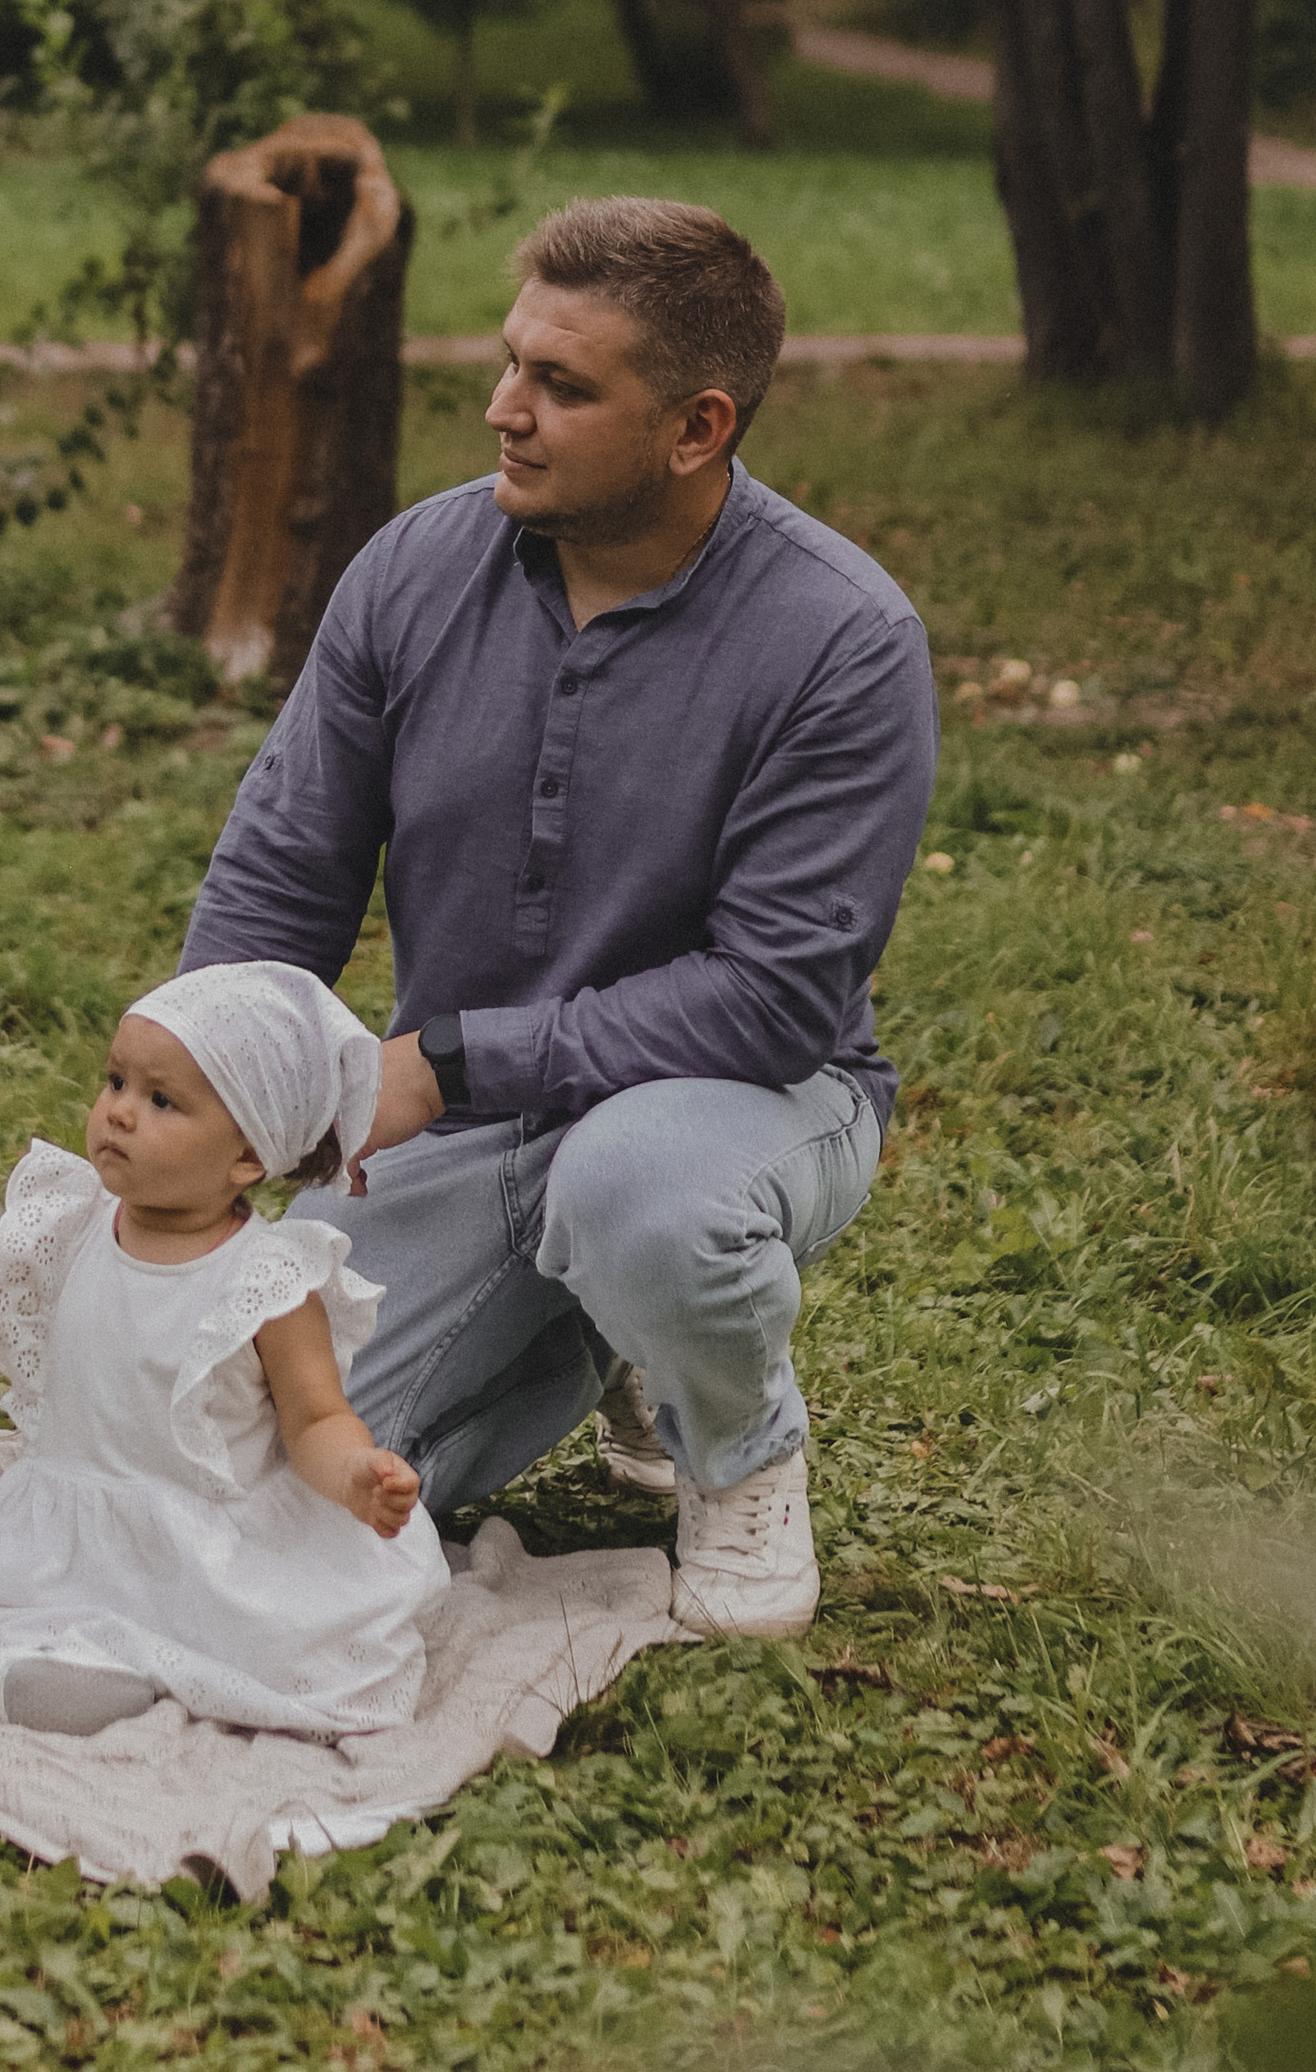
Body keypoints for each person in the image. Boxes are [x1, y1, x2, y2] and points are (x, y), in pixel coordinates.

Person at [181, 195, 939, 1644]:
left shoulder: (843, 640)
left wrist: (445, 1062)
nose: (502, 410)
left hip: (744, 1104)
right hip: (469, 1124)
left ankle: (741, 1452)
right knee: (266, 1469)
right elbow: (284, 873)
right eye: (512, 362)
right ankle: (606, 1329)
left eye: (560, 386)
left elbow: (773, 1000)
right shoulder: (413, 569)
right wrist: (199, 1091)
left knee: (635, 1196)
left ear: (698, 428)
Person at [0, 960, 449, 1741]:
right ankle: (61, 1672)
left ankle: (155, 1663)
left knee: (272, 1643)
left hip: (204, 1547)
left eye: (162, 1100)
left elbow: (315, 1421)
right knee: (11, 1604)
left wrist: (353, 1474)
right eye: (115, 1083)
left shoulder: (268, 1281)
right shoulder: (71, 1223)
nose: (120, 1114)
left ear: (248, 1156)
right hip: (73, 1531)